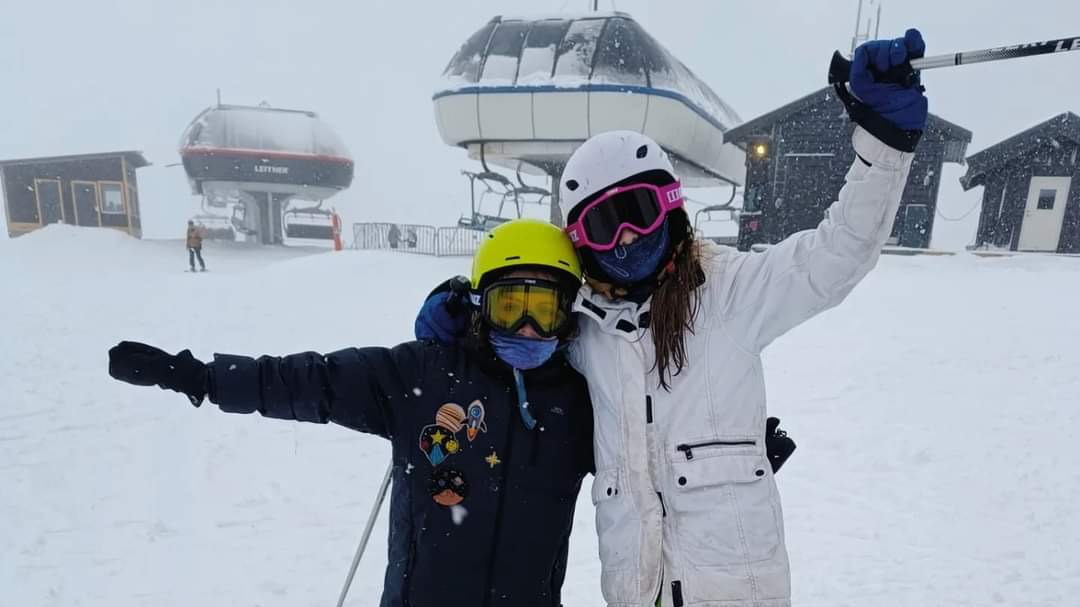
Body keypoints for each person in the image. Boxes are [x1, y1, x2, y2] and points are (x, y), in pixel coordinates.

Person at [416, 31, 929, 606]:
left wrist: (885, 144)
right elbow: (520, 341)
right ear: (581, 240)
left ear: (670, 208)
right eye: (604, 225)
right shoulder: (584, 330)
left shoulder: (730, 291)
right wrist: (468, 318)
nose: (626, 237)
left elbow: (839, 253)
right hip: (637, 593)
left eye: (636, 211)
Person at [108, 218, 594, 607]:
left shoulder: (581, 400)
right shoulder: (422, 374)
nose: (527, 328)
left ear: (569, 313)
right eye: (510, 306)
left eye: (544, 310)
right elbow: (312, 380)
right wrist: (203, 378)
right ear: (479, 304)